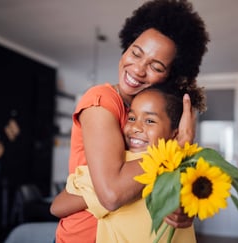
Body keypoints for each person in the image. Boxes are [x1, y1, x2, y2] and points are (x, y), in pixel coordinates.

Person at [51, 0, 209, 242]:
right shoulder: (101, 99)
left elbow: (161, 183)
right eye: (136, 52)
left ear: (170, 76)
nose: (138, 69)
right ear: (126, 47)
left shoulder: (155, 120)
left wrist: (183, 208)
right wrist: (175, 149)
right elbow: (112, 194)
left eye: (155, 66)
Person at [61, 86, 206, 243]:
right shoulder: (187, 164)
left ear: (175, 133)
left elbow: (58, 206)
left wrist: (115, 190)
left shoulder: (122, 166)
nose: (136, 127)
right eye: (131, 118)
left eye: (150, 121)